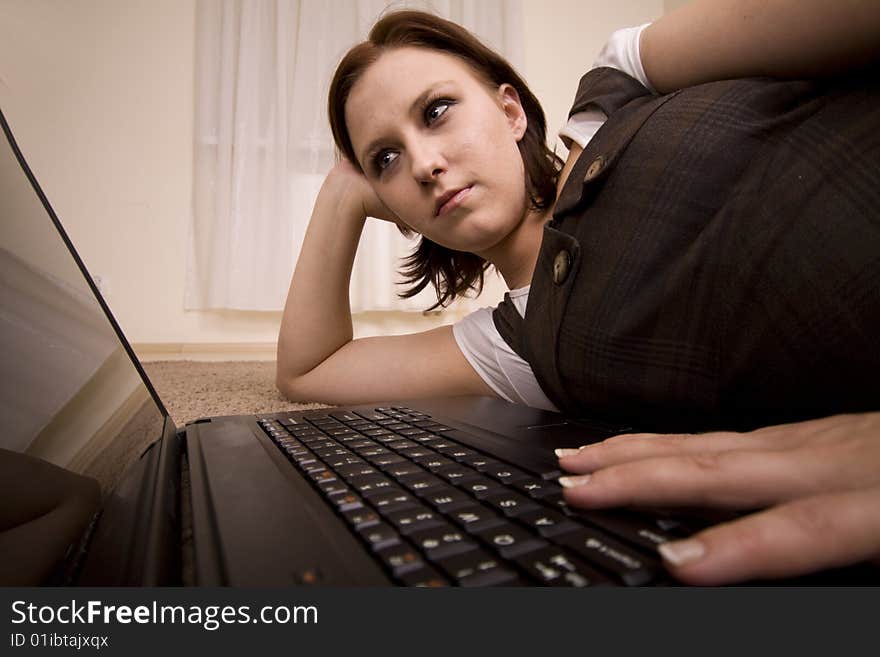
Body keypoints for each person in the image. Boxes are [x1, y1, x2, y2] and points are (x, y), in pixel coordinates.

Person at [277, 1, 880, 585]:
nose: (424, 163)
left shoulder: (622, 77)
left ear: (510, 110)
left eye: (437, 111)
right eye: (385, 159)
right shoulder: (513, 348)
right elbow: (307, 371)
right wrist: (341, 193)